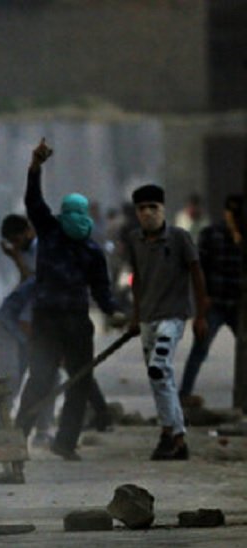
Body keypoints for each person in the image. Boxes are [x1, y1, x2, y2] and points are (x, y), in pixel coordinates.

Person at [14, 139, 119, 461]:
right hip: (62, 320)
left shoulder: (61, 236)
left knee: (60, 380)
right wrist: (34, 168)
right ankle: (31, 439)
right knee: (63, 381)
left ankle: (45, 440)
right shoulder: (66, 238)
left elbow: (102, 291)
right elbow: (102, 293)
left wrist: (116, 314)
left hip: (55, 320)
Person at [126, 184, 210, 461]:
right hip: (148, 318)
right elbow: (137, 280)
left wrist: (201, 315)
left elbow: (197, 275)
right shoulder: (135, 241)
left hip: (173, 317)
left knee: (158, 368)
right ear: (136, 212)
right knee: (161, 379)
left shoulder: (180, 238)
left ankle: (169, 432)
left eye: (154, 207)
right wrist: (135, 317)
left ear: (163, 209)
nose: (148, 213)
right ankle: (176, 437)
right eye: (142, 208)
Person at [0, 215, 53, 443]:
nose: (16, 245)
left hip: (27, 328)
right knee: (11, 381)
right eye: (12, 242)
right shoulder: (31, 254)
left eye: (17, 240)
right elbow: (29, 288)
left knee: (48, 377)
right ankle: (1, 430)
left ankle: (43, 432)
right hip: (9, 328)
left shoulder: (45, 252)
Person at [180, 195, 244, 406]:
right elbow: (198, 269)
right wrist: (201, 300)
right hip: (214, 303)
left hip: (238, 305)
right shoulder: (211, 234)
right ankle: (184, 394)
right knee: (200, 349)